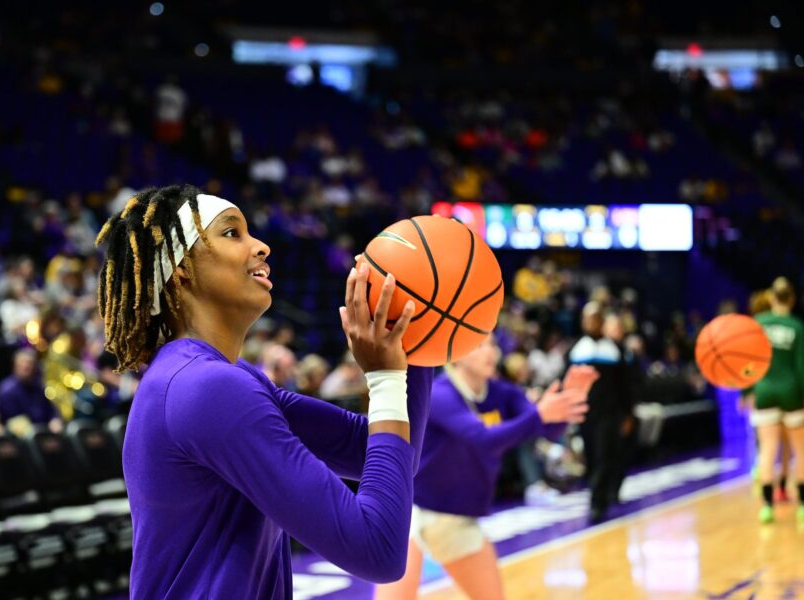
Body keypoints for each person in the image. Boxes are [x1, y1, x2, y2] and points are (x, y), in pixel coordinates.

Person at [96, 185, 432, 598]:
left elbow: (390, 453)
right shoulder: (208, 389)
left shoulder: (223, 379)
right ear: (181, 268)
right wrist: (385, 379)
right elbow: (377, 551)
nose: (262, 247)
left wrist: (418, 337)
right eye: (232, 233)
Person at [374, 336, 597, 600]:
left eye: (492, 344)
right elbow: (485, 439)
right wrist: (540, 414)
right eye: (479, 345)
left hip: (455, 518)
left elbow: (547, 429)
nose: (490, 352)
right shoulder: (440, 394)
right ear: (456, 355)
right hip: (410, 511)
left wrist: (569, 402)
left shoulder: (503, 393)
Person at [567, 302, 636, 522]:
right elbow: (567, 384)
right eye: (586, 319)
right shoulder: (577, 350)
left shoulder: (613, 351)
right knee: (591, 457)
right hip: (586, 414)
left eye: (594, 318)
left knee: (606, 455)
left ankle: (598, 502)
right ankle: (601, 495)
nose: (590, 323)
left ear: (601, 322)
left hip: (610, 413)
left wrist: (628, 413)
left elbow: (626, 385)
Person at [749, 277, 804, 524]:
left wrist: (746, 392)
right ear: (792, 299)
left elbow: (747, 363)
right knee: (800, 451)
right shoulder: (796, 326)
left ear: (771, 298)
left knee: (768, 450)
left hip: (765, 390)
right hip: (792, 391)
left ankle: (767, 506)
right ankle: (802, 506)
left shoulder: (758, 324)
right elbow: (801, 367)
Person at [0, 349, 62, 432]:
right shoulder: (7, 390)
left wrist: (54, 420)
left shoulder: (38, 386)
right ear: (15, 366)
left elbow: (51, 411)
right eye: (24, 365)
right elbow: (12, 421)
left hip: (42, 431)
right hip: (20, 434)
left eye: (31, 365)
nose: (28, 368)